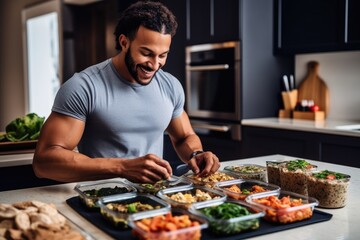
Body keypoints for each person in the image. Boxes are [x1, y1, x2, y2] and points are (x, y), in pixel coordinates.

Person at [32, 1, 220, 184]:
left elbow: (184, 137)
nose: (155, 65)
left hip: (155, 200)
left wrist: (196, 153)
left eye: (163, 55)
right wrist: (121, 167)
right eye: (146, 53)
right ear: (124, 42)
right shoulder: (83, 87)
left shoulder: (170, 85)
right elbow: (44, 162)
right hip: (100, 199)